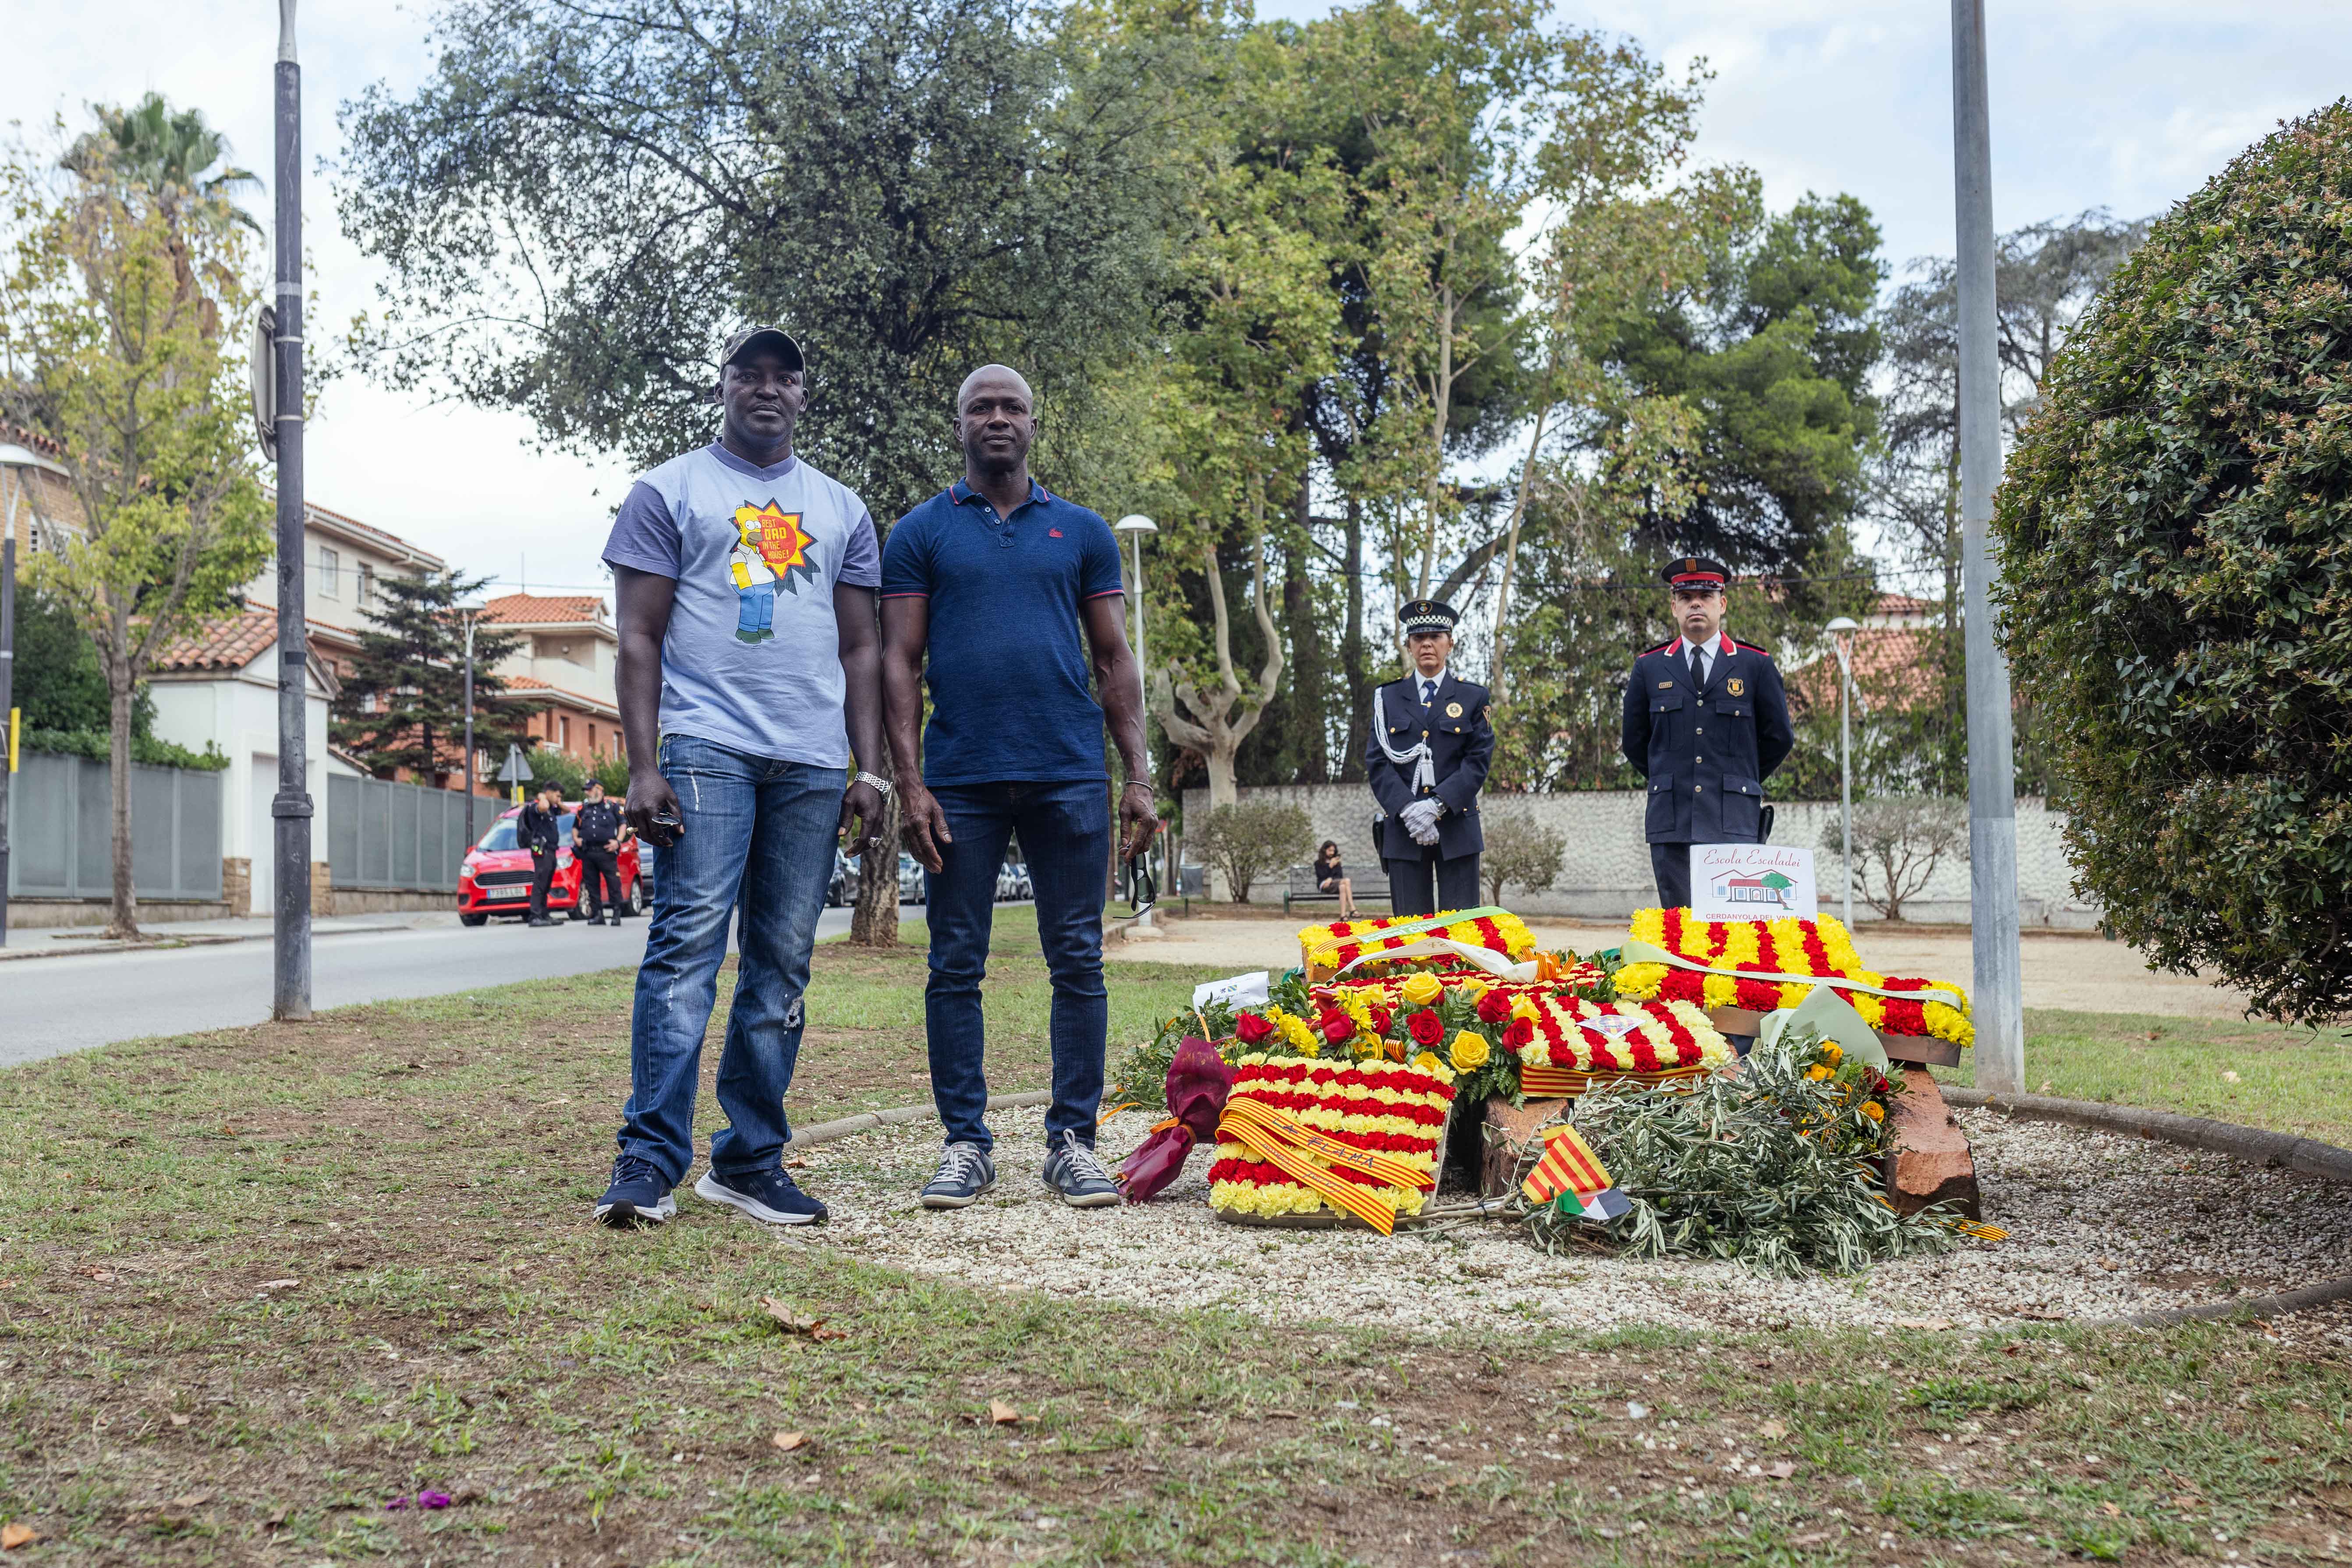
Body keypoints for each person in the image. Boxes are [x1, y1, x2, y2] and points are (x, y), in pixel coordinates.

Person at [591, 325, 890, 1230]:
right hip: (705, 744)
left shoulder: (840, 508)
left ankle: (750, 1161)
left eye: (783, 377)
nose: (765, 389)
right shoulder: (669, 491)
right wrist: (642, 765)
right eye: (747, 374)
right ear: (721, 387)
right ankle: (648, 1160)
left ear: (803, 395)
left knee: (781, 966)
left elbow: (862, 645)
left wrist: (867, 769)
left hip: (807, 759)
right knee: (686, 950)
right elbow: (637, 634)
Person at [880, 363, 1158, 1212]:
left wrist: (1138, 775)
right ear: (958, 423)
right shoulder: (920, 531)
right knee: (952, 964)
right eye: (980, 407)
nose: (996, 418)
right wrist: (908, 781)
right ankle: (965, 1142)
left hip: (1067, 771)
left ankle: (1072, 1140)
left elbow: (1113, 660)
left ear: (1034, 423)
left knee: (1076, 960)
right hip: (957, 779)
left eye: (1011, 407)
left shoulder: (1079, 531)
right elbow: (898, 659)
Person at [1620, 556, 1794, 910]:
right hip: (1673, 821)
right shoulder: (1649, 668)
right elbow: (1635, 742)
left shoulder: (1754, 665)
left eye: (1705, 595)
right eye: (1686, 597)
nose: (1695, 603)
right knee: (1680, 931)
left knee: (1734, 930)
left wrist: (1739, 778)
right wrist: (1671, 778)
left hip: (1734, 819)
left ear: (1722, 603)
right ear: (1674, 607)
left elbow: (1780, 737)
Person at [1364, 600, 1492, 917]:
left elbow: (1477, 761)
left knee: (1461, 934)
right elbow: (1377, 762)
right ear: (1408, 645)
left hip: (1457, 827)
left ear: (1450, 642)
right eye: (1419, 638)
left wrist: (1436, 805)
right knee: (1410, 936)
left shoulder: (1473, 697)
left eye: (1436, 636)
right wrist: (1409, 809)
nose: (1427, 644)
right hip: (1404, 830)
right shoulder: (1387, 698)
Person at [573, 779, 628, 924]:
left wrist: (618, 841)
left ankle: (616, 913)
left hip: (607, 851)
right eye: (586, 790)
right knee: (592, 885)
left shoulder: (612, 807)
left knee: (613, 883)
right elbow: (575, 827)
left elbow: (623, 824)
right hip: (588, 852)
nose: (587, 792)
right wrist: (576, 839)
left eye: (590, 789)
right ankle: (598, 915)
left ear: (600, 789)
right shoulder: (583, 808)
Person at [517, 783, 565, 927]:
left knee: (546, 884)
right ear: (549, 793)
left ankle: (544, 914)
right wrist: (543, 797)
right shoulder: (537, 807)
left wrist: (557, 802)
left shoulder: (552, 809)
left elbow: (567, 810)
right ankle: (535, 916)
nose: (559, 799)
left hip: (551, 850)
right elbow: (543, 807)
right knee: (540, 883)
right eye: (557, 795)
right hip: (541, 851)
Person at [1312, 840, 1357, 918]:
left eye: (1333, 851)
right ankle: (1352, 908)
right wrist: (1330, 866)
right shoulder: (1318, 863)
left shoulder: (1337, 862)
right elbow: (1321, 876)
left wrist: (1331, 878)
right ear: (1324, 850)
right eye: (1330, 851)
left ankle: (1343, 915)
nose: (1332, 853)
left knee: (1343, 887)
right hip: (1324, 885)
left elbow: (1339, 877)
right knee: (1347, 881)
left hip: (1335, 884)